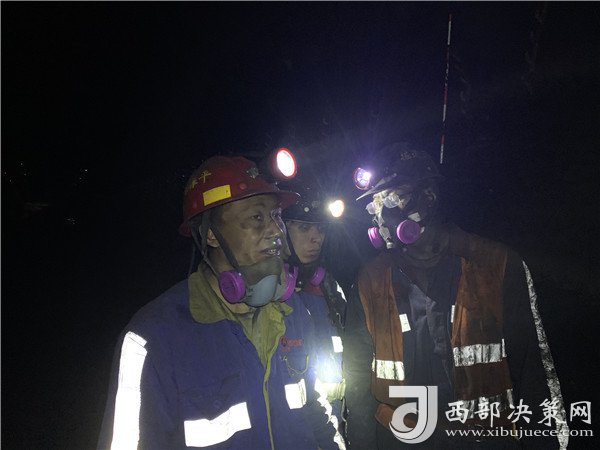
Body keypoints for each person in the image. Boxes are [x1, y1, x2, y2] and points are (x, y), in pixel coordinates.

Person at [98, 154, 343, 449]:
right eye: (257, 218)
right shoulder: (154, 339)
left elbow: (316, 411)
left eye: (276, 215)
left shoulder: (293, 311)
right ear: (212, 235)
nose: (277, 230)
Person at [343, 143, 569, 449]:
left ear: (429, 197)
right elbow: (357, 380)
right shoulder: (370, 280)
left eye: (394, 197)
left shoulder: (495, 265)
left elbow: (534, 371)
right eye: (376, 204)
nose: (383, 214)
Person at [279, 178, 349, 444]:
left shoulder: (328, 287)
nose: (316, 237)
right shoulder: (268, 296)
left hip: (336, 420)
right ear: (280, 228)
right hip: (296, 431)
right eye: (304, 227)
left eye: (320, 229)